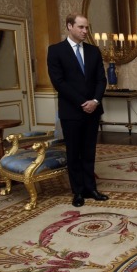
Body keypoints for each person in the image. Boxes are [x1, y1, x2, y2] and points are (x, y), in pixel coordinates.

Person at [47, 13, 109, 207]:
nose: (85, 31)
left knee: (89, 151)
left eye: (86, 28)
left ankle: (91, 188)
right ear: (69, 26)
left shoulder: (93, 51)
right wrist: (83, 102)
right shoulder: (56, 51)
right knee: (74, 152)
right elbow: (59, 82)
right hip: (72, 111)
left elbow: (101, 79)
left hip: (93, 110)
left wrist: (95, 101)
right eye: (81, 27)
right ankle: (78, 192)